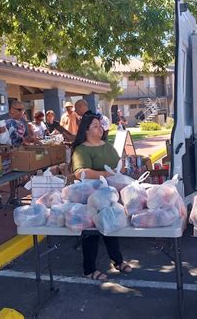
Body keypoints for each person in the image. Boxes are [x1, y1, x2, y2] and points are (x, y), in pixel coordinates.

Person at [71, 114, 132, 281]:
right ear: (87, 130)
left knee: (110, 225)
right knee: (91, 232)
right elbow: (80, 172)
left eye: (100, 125)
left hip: (110, 196)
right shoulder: (82, 149)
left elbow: (118, 163)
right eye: (96, 125)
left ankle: (117, 260)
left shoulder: (107, 146)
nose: (100, 128)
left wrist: (121, 171)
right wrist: (105, 174)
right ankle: (89, 269)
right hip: (91, 197)